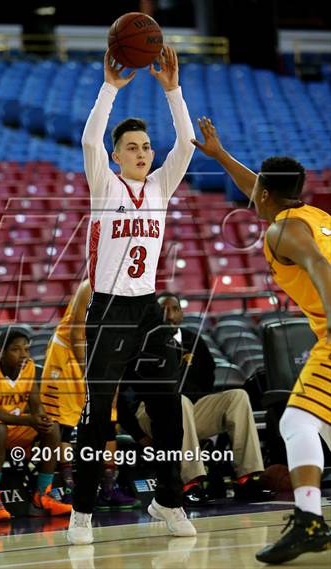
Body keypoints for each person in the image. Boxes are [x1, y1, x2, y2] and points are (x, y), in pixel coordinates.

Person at [67, 45, 196, 545]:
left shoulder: (162, 186)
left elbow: (185, 143)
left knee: (168, 408)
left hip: (147, 308)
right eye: (133, 147)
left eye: (146, 146)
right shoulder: (105, 186)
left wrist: (172, 90)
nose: (143, 152)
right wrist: (110, 90)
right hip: (108, 309)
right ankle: (82, 512)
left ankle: (168, 498)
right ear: (117, 156)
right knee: (99, 415)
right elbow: (89, 138)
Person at [192, 117, 331, 564]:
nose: (251, 197)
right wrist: (220, 157)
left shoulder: (281, 230)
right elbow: (261, 186)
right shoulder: (315, 216)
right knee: (318, 426)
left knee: (296, 423)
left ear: (267, 196)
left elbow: (318, 268)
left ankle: (310, 520)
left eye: (258, 192)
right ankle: (309, 518)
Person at [118, 292, 268, 506]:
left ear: (182, 313)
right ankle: (190, 484)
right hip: (149, 414)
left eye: (174, 308)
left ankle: (246, 480)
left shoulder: (194, 341)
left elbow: (207, 379)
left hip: (189, 411)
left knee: (238, 396)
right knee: (179, 401)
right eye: (162, 309)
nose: (169, 314)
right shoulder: (140, 344)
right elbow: (121, 396)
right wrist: (139, 435)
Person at [40, 279, 139, 510]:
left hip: (101, 354)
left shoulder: (133, 290)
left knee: (109, 420)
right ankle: (69, 489)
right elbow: (77, 335)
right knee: (66, 423)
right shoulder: (91, 285)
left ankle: (107, 488)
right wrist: (90, 376)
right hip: (69, 354)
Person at [0, 329, 72, 521]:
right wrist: (29, 420)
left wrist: (42, 418)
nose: (23, 354)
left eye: (27, 349)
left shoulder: (28, 367)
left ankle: (42, 496)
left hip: (14, 426)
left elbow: (36, 405)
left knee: (53, 428)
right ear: (1, 351)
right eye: (16, 349)